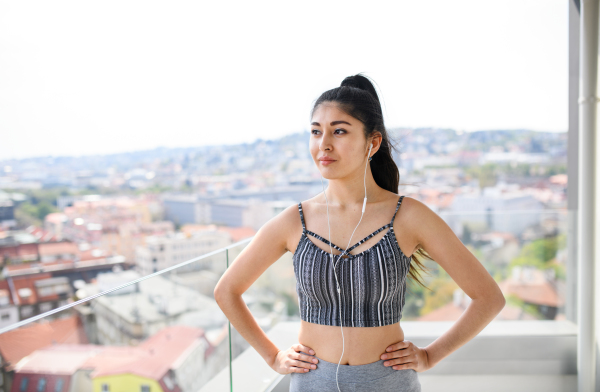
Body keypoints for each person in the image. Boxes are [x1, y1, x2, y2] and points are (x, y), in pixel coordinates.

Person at [214, 73, 506, 391]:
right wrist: (272, 358)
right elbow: (227, 290)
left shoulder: (408, 216)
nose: (323, 144)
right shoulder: (293, 221)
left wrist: (429, 356)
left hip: (388, 382)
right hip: (314, 382)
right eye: (316, 131)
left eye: (339, 131)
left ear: (373, 142)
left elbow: (488, 298)